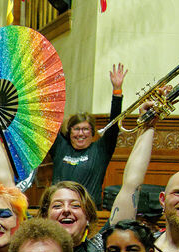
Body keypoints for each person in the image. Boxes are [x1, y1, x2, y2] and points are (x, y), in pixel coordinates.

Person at [45, 63, 127, 194]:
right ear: (70, 131)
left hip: (88, 210)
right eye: (76, 129)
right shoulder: (60, 147)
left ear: (92, 132)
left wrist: (117, 91)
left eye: (85, 129)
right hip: (60, 206)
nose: (80, 133)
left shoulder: (101, 150)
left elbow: (113, 125)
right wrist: (47, 89)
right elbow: (48, 120)